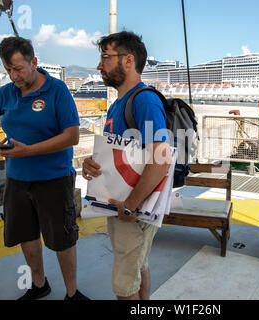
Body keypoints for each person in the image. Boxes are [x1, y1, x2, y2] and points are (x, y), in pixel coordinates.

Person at [0, 36, 88, 300]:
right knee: (26, 235)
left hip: (53, 178)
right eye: (8, 70)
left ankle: (72, 293)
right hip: (16, 180)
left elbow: (71, 136)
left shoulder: (57, 90)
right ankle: (39, 284)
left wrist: (28, 151)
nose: (13, 75)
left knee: (62, 239)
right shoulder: (7, 92)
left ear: (34, 62)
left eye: (18, 69)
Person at [82, 31, 171, 300]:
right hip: (124, 206)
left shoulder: (144, 100)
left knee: (124, 284)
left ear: (128, 60)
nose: (99, 66)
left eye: (105, 58)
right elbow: (120, 154)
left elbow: (161, 159)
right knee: (137, 267)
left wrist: (131, 205)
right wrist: (92, 163)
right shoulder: (118, 105)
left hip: (132, 209)